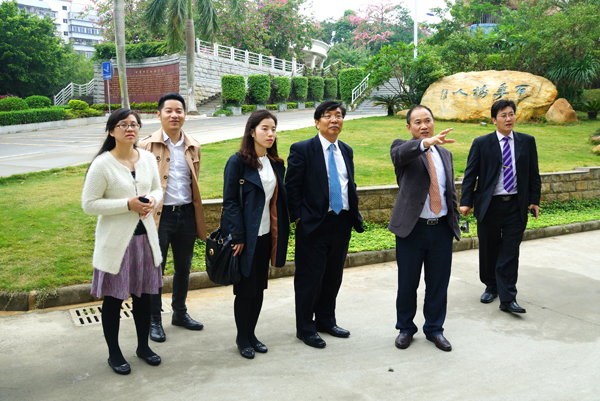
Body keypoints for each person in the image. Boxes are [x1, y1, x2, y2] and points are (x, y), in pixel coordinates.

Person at [82, 109, 164, 375]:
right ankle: (114, 353)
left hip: (145, 241)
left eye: (134, 124)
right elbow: (89, 204)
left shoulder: (147, 158)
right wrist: (127, 205)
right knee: (114, 300)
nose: (130, 129)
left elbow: (157, 188)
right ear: (111, 130)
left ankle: (143, 347)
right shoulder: (102, 164)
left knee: (144, 298)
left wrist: (152, 200)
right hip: (117, 245)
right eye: (123, 125)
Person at [285, 100, 364, 349]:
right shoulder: (302, 149)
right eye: (328, 116)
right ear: (317, 122)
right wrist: (299, 217)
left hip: (341, 222)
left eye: (338, 115)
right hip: (313, 225)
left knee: (333, 276)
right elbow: (292, 187)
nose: (334, 120)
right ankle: (305, 328)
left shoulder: (346, 150)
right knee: (309, 279)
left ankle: (326, 321)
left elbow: (348, 184)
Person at [388, 105, 460, 352]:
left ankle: (435, 329)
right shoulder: (403, 148)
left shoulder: (445, 154)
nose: (423, 126)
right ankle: (405, 328)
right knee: (408, 283)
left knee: (438, 283)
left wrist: (454, 221)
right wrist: (425, 143)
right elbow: (399, 156)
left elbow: (449, 191)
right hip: (412, 230)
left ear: (433, 122)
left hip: (441, 229)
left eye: (427, 120)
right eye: (417, 122)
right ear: (409, 127)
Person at [460, 99, 541, 314]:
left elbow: (533, 173)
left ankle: (508, 298)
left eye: (511, 114)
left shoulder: (527, 141)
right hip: (490, 205)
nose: (508, 118)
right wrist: (466, 202)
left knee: (510, 251)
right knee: (489, 248)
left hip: (516, 204)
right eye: (503, 115)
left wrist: (534, 200)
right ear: (494, 120)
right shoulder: (481, 143)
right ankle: (491, 285)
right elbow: (470, 175)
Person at [220, 110, 290, 359]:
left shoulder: (275, 163)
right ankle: (242, 337)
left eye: (273, 129)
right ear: (252, 131)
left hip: (266, 236)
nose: (270, 134)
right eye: (264, 129)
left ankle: (251, 334)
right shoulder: (237, 162)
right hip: (245, 239)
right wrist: (237, 236)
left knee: (259, 288)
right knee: (245, 290)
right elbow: (230, 201)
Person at [140, 92, 207, 342]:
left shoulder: (193, 145)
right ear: (159, 115)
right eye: (168, 110)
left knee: (184, 268)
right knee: (155, 269)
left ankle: (179, 312)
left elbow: (193, 181)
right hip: (160, 217)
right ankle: (154, 320)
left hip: (186, 214)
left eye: (179, 110)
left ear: (185, 115)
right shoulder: (146, 146)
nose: (174, 115)